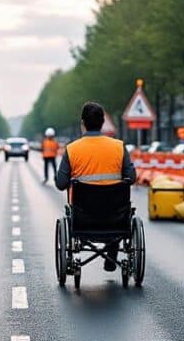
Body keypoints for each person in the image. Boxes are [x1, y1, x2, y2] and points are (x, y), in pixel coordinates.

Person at [55, 101, 136, 271]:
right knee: (115, 209)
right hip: (116, 216)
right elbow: (132, 177)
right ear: (102, 123)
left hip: (83, 217)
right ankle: (112, 252)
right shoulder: (119, 147)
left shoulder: (72, 149)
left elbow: (61, 184)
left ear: (82, 124)